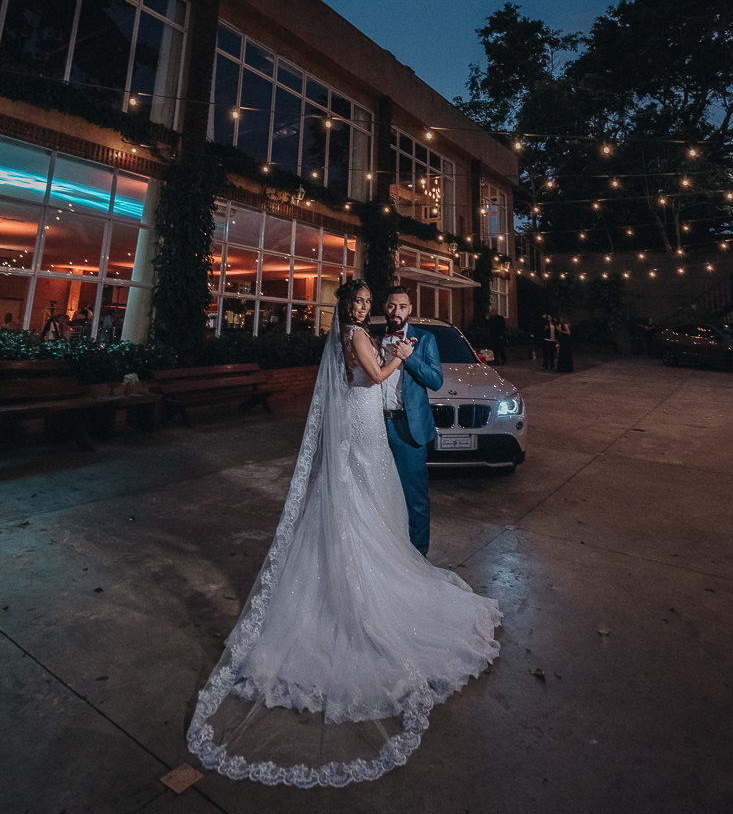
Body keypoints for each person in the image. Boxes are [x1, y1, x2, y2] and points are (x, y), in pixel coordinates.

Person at [187, 279, 500, 788]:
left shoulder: (385, 333)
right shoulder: (359, 334)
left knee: (394, 504)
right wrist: (396, 356)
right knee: (365, 501)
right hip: (365, 423)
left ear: (403, 308)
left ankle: (405, 564)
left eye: (374, 302)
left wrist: (405, 353)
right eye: (361, 301)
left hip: (388, 425)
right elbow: (373, 377)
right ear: (349, 306)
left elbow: (425, 377)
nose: (370, 307)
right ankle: (390, 579)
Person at [380, 286, 444, 556]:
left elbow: (436, 380)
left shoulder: (426, 339)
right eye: (393, 306)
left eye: (403, 307)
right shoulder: (373, 338)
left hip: (409, 427)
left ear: (410, 309)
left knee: (414, 498)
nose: (397, 312)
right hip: (377, 425)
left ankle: (419, 558)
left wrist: (410, 357)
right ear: (385, 307)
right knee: (379, 491)